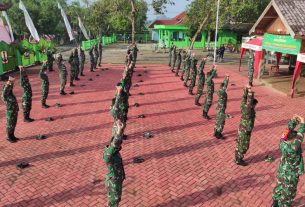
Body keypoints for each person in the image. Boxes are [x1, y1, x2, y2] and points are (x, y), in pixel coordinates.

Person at [272, 115, 305, 207]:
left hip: (282, 170)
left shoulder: (282, 142)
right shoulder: (293, 149)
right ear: (292, 141)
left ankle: (275, 203)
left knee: (279, 186)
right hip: (291, 174)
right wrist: (302, 124)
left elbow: (287, 130)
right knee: (289, 193)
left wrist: (293, 121)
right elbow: (300, 136)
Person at [103, 120, 125, 207]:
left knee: (116, 200)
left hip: (117, 180)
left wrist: (120, 129)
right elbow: (116, 143)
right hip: (113, 183)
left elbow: (116, 142)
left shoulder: (113, 152)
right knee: (113, 203)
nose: (119, 147)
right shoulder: (108, 153)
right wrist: (119, 132)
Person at [235, 86, 258, 166]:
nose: (255, 107)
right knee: (244, 145)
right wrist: (250, 92)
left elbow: (244, 99)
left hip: (241, 129)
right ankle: (239, 160)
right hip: (245, 131)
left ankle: (236, 158)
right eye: (254, 105)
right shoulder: (249, 109)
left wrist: (246, 91)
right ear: (252, 105)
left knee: (239, 143)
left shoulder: (243, 106)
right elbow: (249, 100)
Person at [1, 76, 19, 143]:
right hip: (10, 110)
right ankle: (9, 137)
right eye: (8, 87)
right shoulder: (5, 95)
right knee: (10, 124)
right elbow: (4, 94)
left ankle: (12, 135)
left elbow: (10, 88)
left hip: (14, 109)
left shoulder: (10, 94)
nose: (9, 89)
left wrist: (11, 82)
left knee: (13, 123)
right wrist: (8, 83)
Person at [214, 75, 229, 139]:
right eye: (224, 87)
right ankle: (218, 134)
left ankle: (215, 132)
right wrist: (227, 79)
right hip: (221, 108)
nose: (225, 88)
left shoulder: (220, 90)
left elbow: (224, 84)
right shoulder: (222, 92)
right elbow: (225, 86)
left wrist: (226, 78)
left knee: (218, 120)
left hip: (219, 107)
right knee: (221, 121)